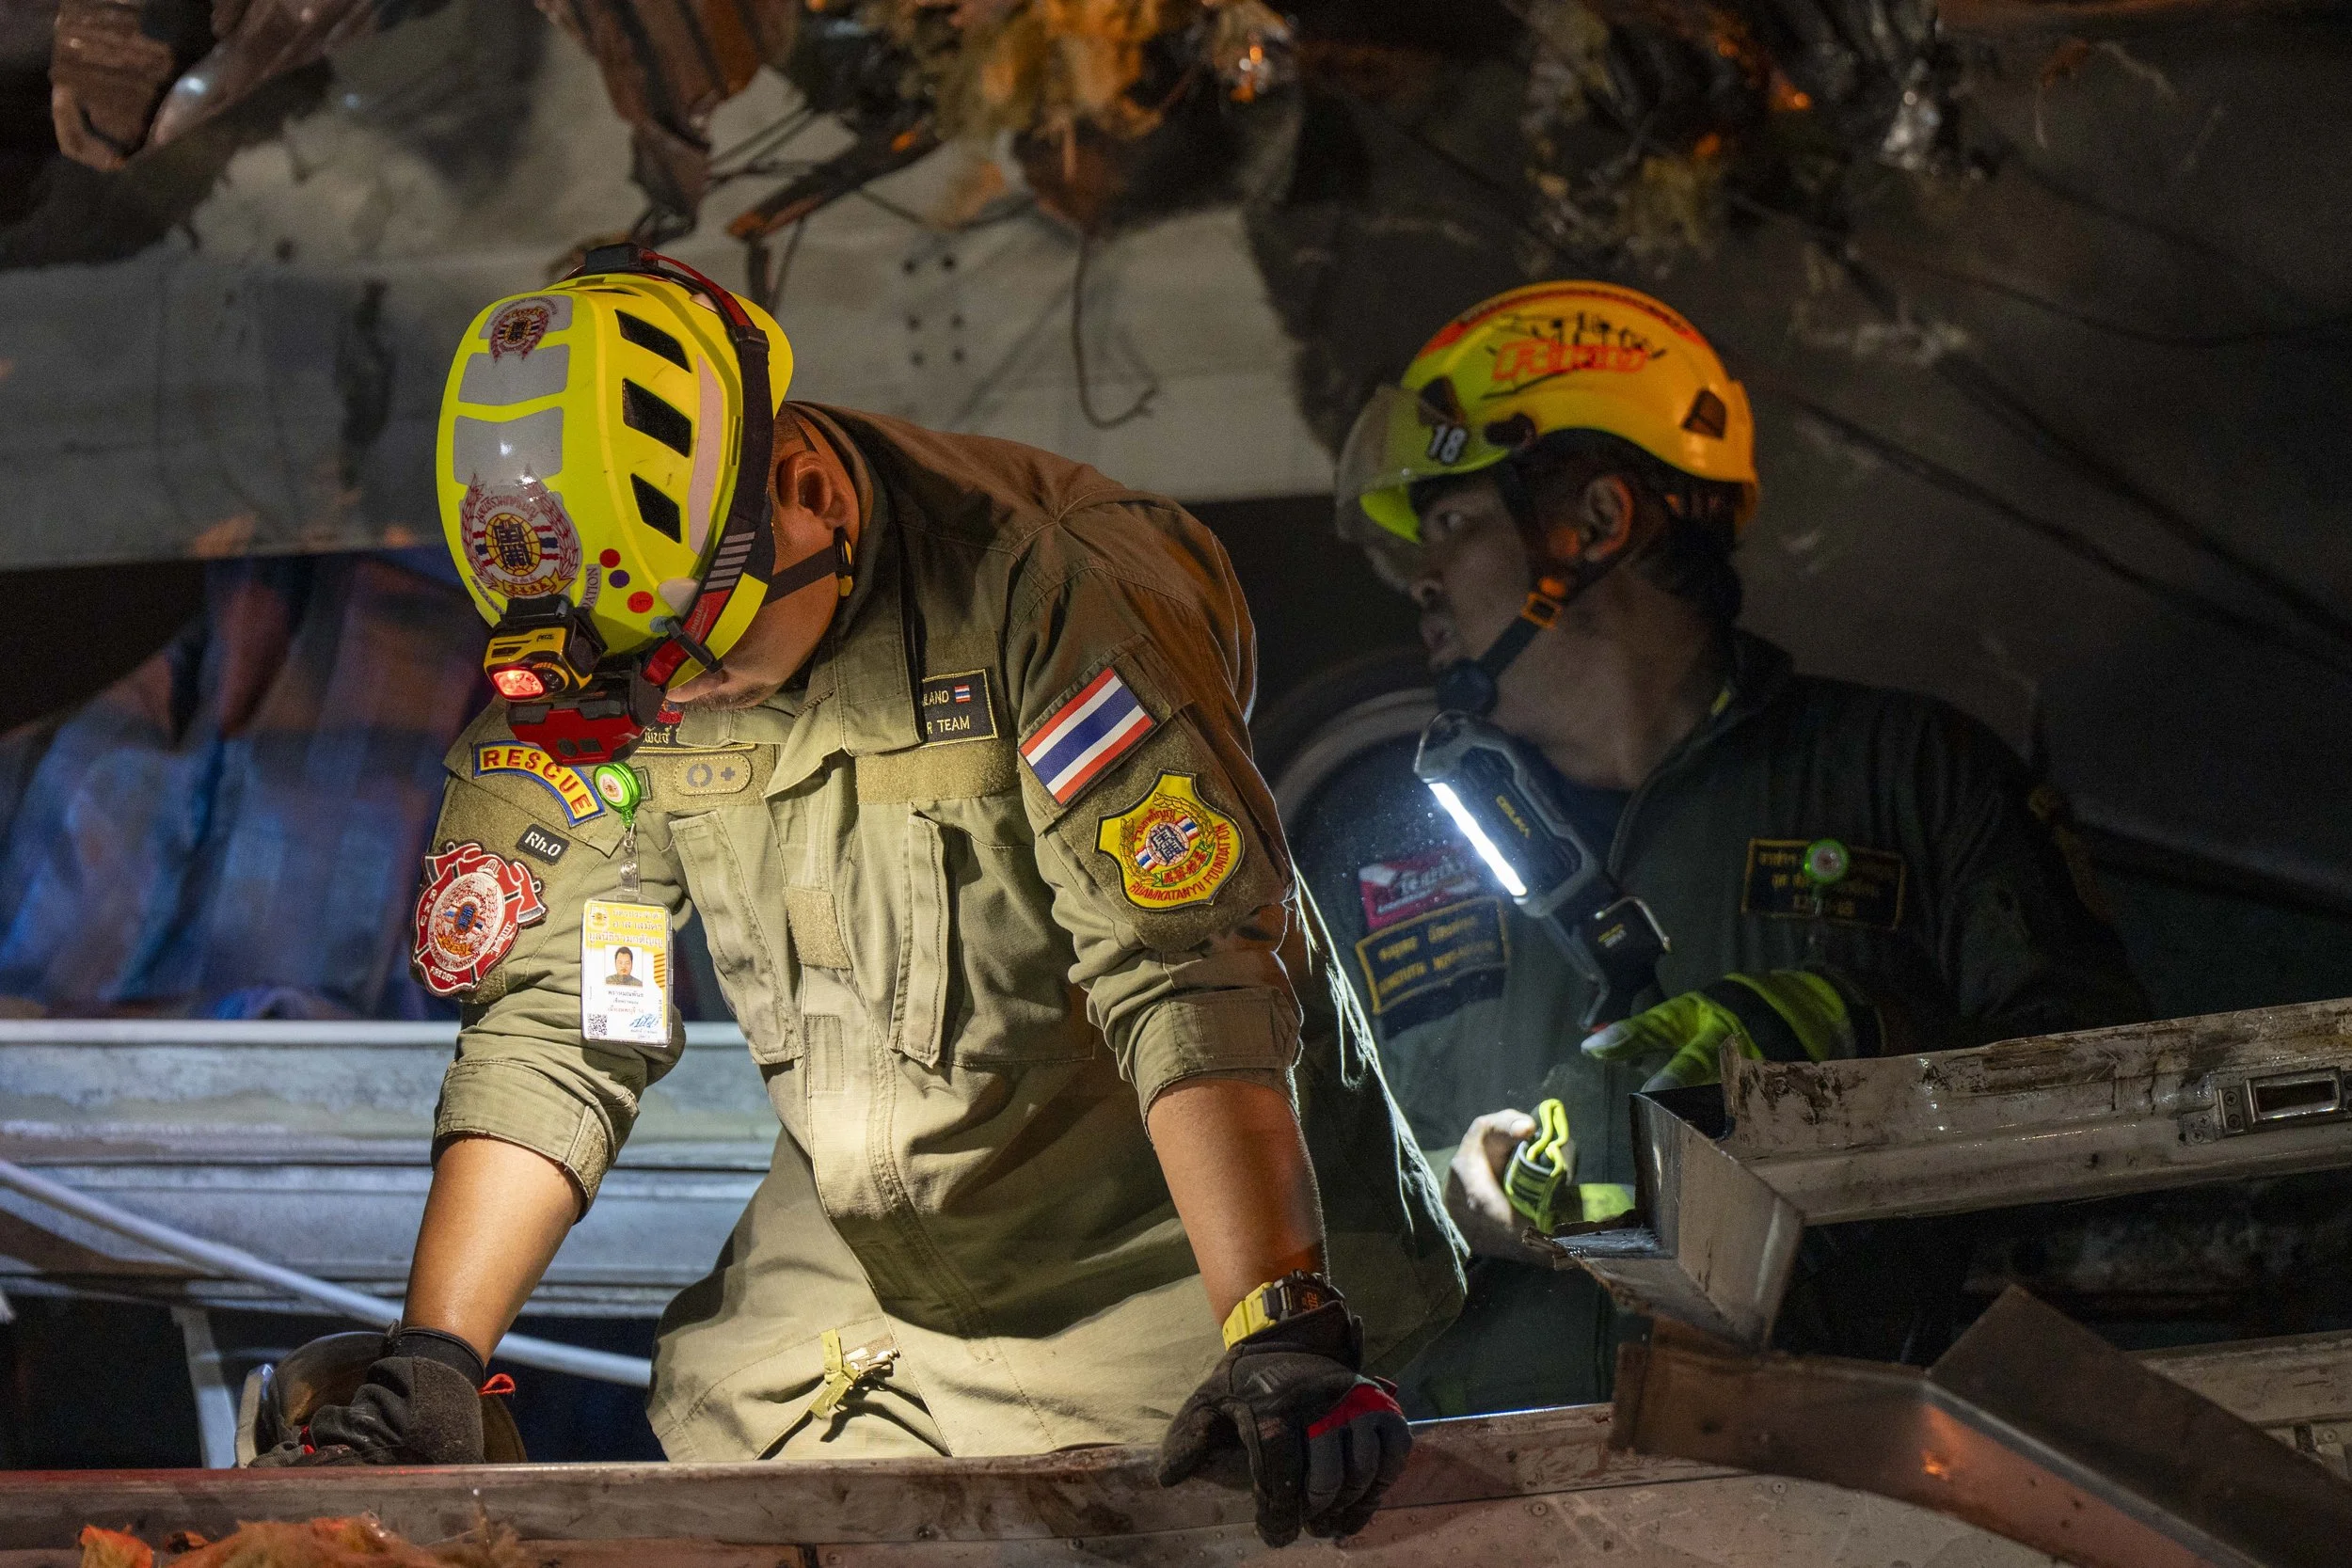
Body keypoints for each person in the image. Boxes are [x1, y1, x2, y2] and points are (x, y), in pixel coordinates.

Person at [256, 246, 1462, 1547]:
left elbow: (1182, 970)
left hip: (1170, 1274)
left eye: (700, 662)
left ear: (810, 492)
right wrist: (438, 1350)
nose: (673, 704)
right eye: (636, 683)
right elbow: (559, 1016)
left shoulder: (1050, 588)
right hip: (874, 1287)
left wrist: (1278, 1326)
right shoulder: (611, 620)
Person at [1295, 279, 2148, 1416]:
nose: (1422, 574)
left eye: (1452, 522)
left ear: (1594, 525)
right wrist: (1446, 1190)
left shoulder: (1904, 772)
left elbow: (2112, 1096)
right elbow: (1284, 1185)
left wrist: (1835, 1043)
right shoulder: (1377, 848)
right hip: (1476, 1501)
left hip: (1836, 1472)